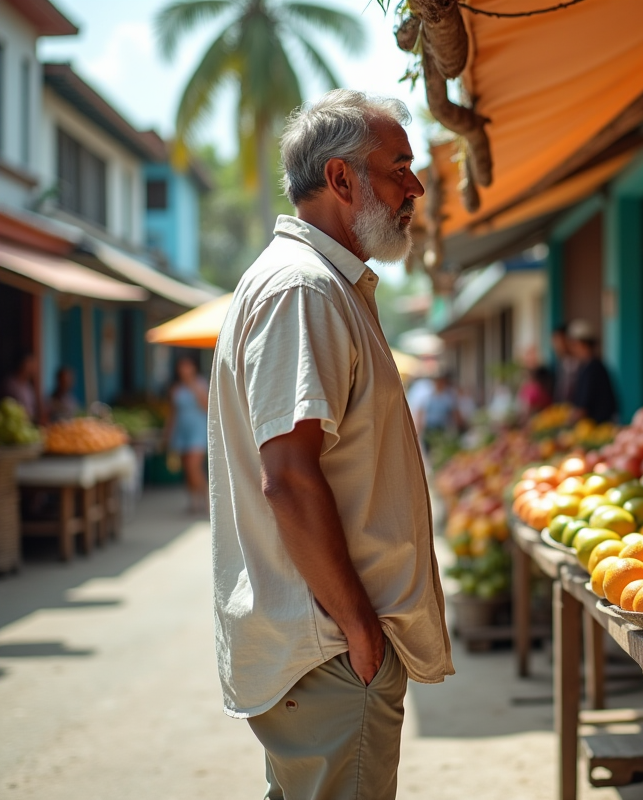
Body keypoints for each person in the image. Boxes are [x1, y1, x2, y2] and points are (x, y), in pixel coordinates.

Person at [207, 89, 452, 800]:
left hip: (329, 650)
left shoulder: (322, 287)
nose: (417, 185)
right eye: (399, 165)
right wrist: (359, 632)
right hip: (334, 651)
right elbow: (287, 477)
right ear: (342, 180)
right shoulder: (304, 291)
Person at [164, 357, 208, 514]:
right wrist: (168, 434)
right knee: (186, 470)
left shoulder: (201, 383)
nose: (185, 370)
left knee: (194, 466)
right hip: (181, 431)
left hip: (198, 429)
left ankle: (207, 499)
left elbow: (206, 406)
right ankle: (194, 502)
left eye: (187, 366)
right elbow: (173, 413)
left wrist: (193, 386)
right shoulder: (176, 388)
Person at [567, 319, 618, 423]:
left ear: (582, 344)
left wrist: (567, 423)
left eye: (574, 345)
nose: (572, 349)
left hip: (599, 426)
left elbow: (583, 407)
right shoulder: (586, 367)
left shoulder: (593, 369)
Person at [413, 373, 462, 449]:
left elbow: (455, 414)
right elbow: (420, 414)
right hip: (429, 429)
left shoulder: (448, 398)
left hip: (442, 430)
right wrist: (417, 433)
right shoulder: (427, 397)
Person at [3, 352, 43, 424]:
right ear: (22, 364)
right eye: (30, 364)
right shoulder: (10, 384)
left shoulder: (29, 386)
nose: (33, 368)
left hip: (29, 425)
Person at [550, 323, 578, 403]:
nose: (555, 346)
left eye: (558, 341)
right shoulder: (562, 363)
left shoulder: (579, 363)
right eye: (554, 341)